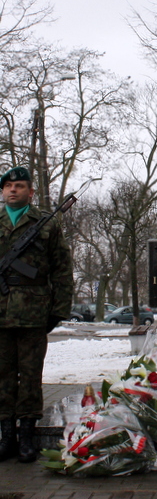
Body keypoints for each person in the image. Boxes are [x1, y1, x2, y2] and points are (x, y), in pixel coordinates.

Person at [0, 166, 73, 463]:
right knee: (3, 376)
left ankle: (27, 436)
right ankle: (7, 437)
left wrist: (58, 311)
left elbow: (62, 269)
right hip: (0, 312)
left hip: (33, 311)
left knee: (30, 376)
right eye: (7, 186)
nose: (12, 190)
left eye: (19, 186)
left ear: (31, 192)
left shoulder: (46, 224)